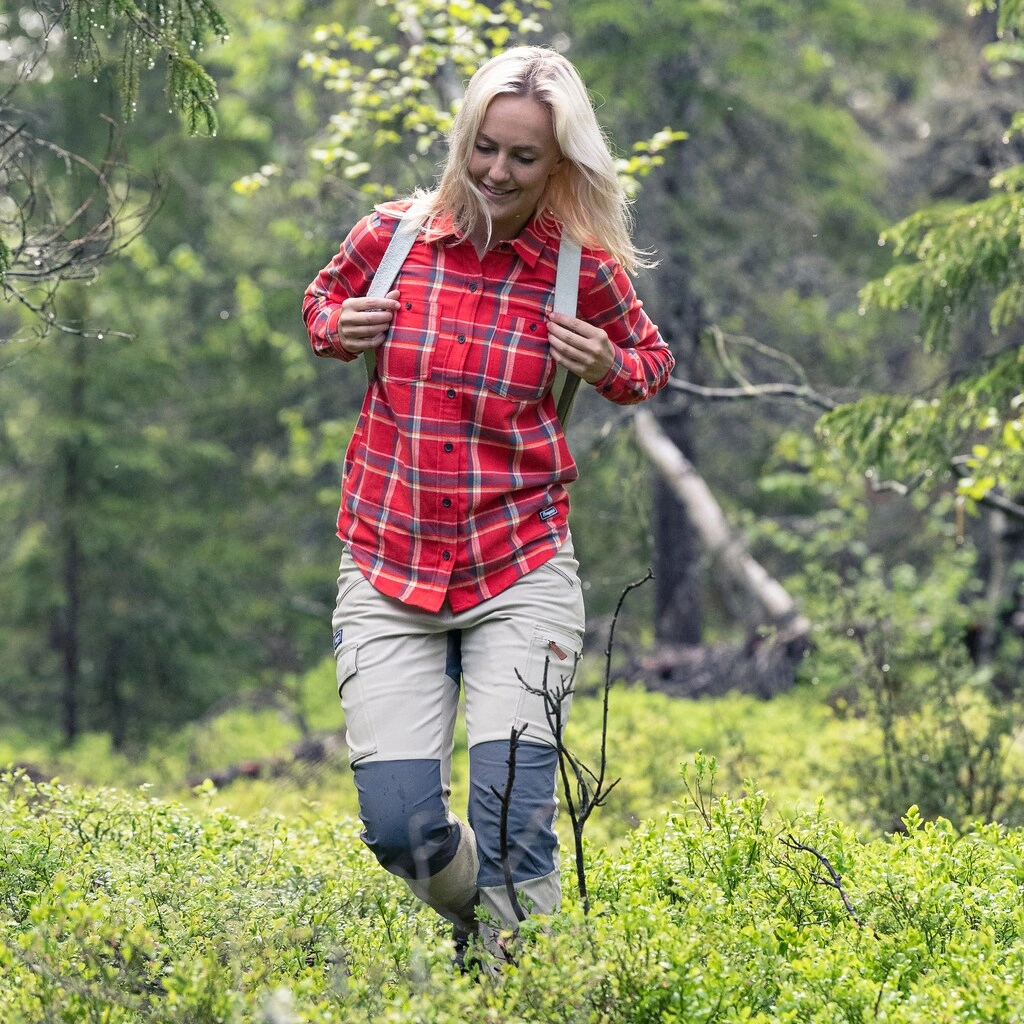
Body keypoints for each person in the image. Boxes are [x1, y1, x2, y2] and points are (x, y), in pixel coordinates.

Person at [301, 45, 674, 964]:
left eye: (524, 158)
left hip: (520, 564)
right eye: (486, 148)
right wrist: (334, 329)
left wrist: (605, 364)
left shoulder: (576, 270)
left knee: (514, 822)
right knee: (400, 829)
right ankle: (496, 936)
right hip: (388, 560)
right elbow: (321, 305)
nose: (497, 173)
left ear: (559, 168)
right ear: (464, 139)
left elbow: (649, 365)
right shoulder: (388, 239)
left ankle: (523, 984)